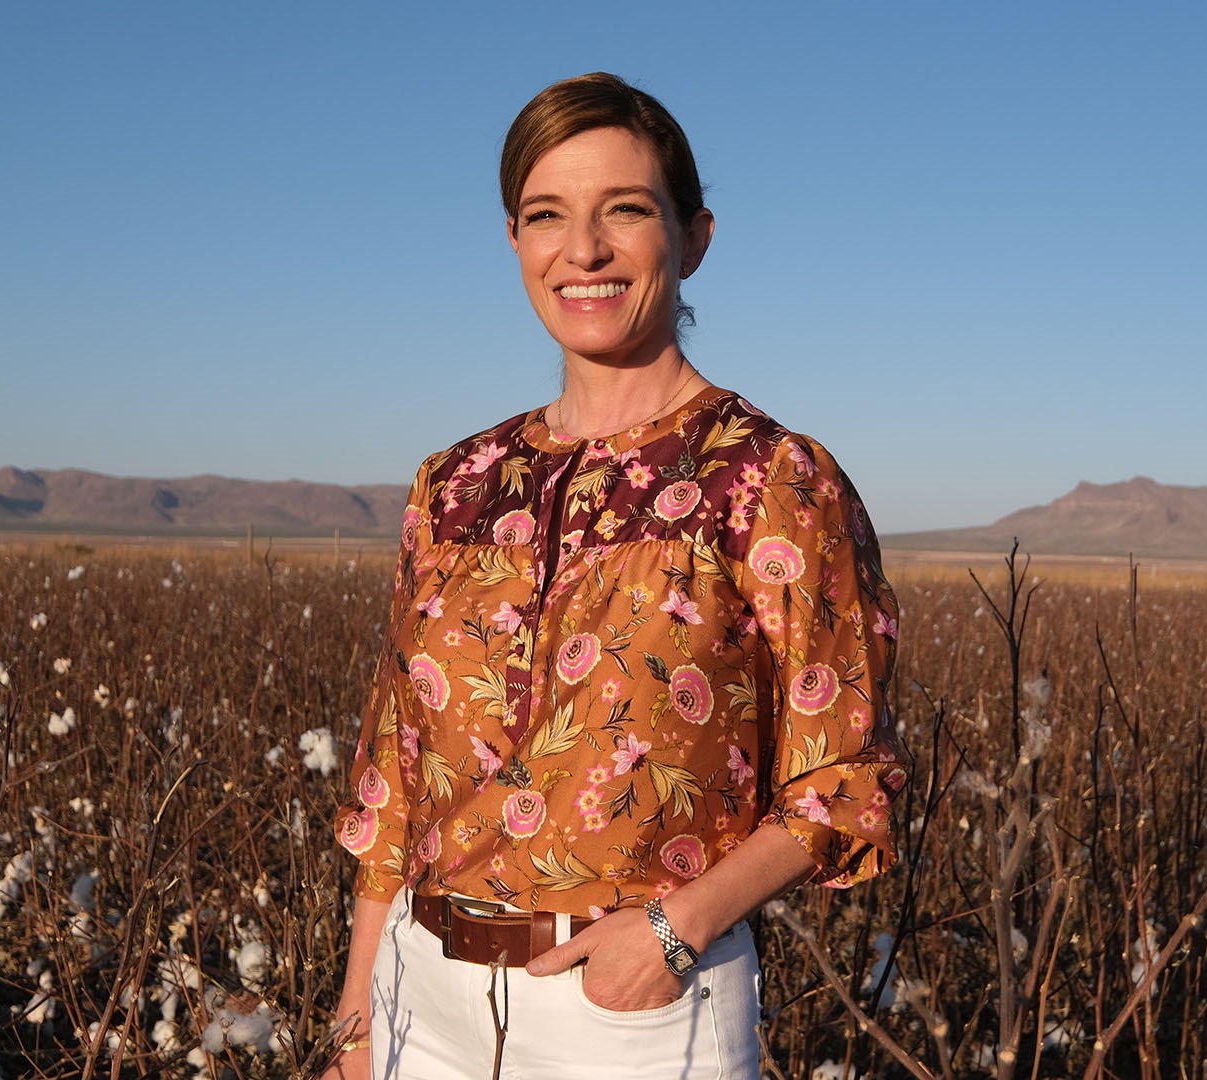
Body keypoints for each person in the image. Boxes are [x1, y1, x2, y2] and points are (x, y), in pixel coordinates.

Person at [324, 72, 905, 1079]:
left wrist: (674, 934)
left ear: (695, 237)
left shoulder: (767, 478)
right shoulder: (455, 482)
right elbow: (398, 770)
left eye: (624, 212)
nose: (581, 251)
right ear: (515, 243)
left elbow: (844, 783)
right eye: (547, 216)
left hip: (632, 1012)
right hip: (420, 996)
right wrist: (356, 1012)